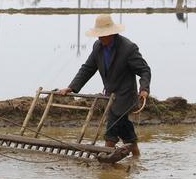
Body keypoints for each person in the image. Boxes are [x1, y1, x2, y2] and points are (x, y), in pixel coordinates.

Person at [57, 14, 151, 157]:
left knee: (112, 129)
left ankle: (106, 159)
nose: (99, 37)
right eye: (98, 35)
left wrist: (144, 89)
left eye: (102, 35)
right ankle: (136, 156)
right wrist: (71, 87)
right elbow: (87, 68)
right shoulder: (98, 47)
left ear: (111, 33)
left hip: (125, 95)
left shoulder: (128, 48)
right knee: (126, 130)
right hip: (110, 95)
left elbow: (144, 70)